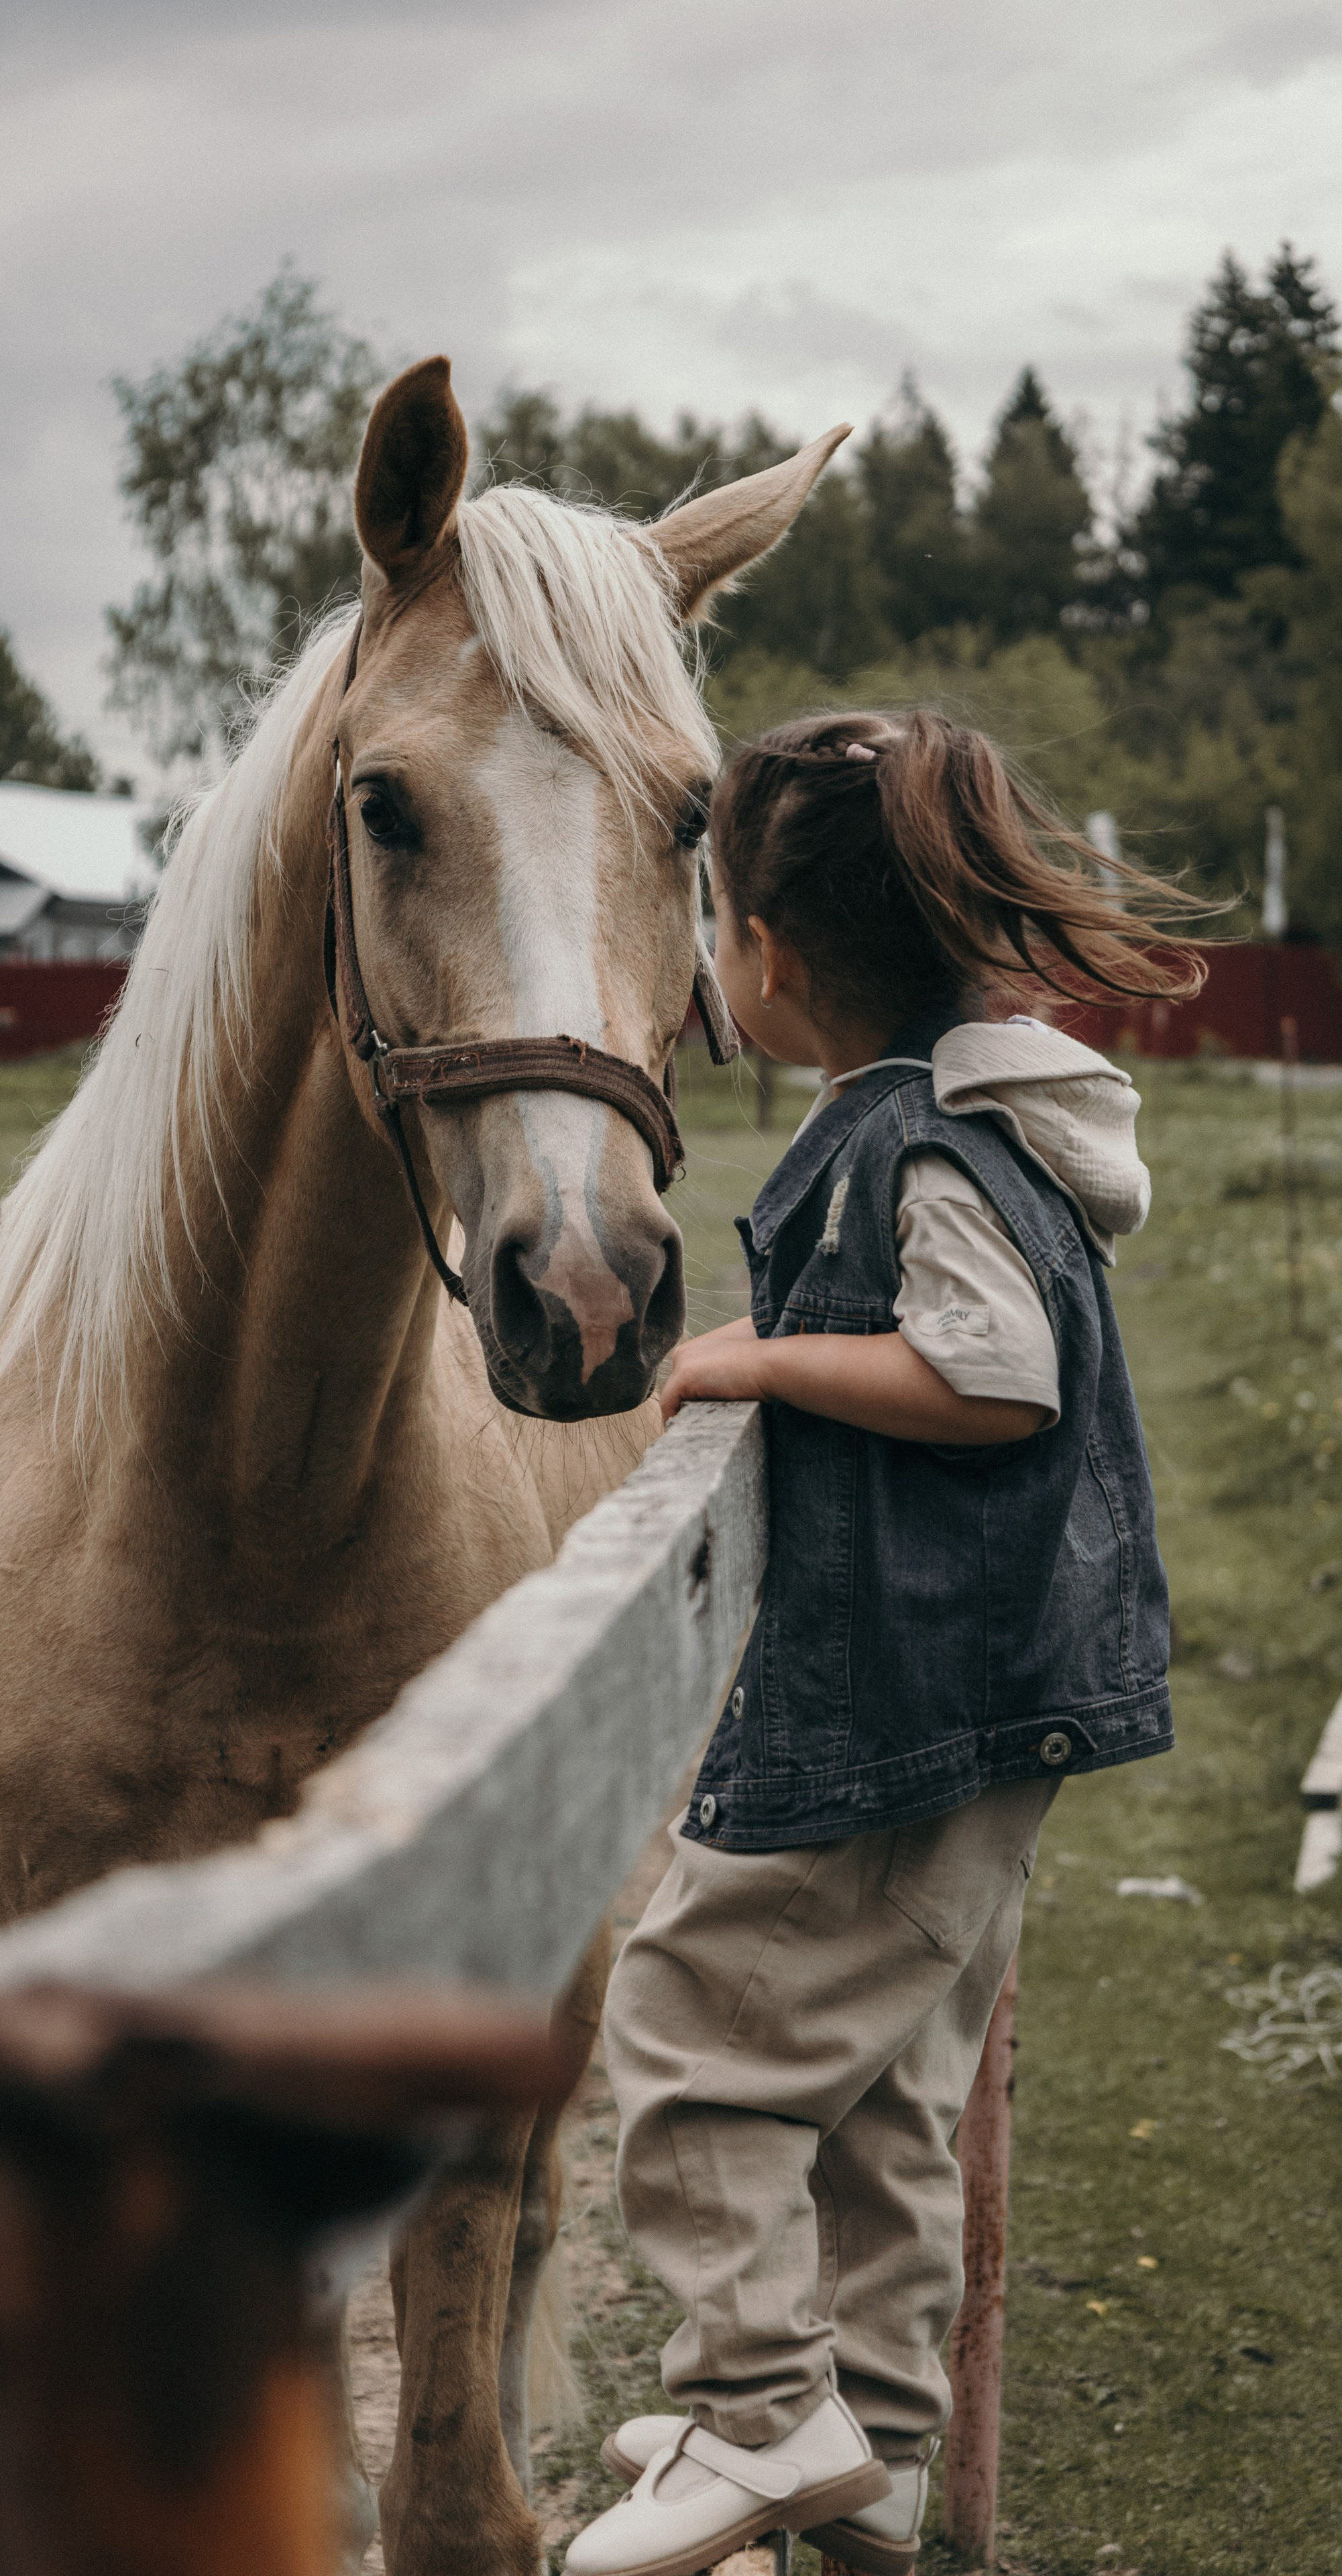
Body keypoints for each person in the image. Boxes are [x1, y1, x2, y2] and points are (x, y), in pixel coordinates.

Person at [565, 710, 1205, 2576]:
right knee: (887, 2108)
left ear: (763, 953)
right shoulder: (968, 1118)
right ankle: (873, 2479)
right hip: (983, 1699)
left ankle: (764, 2416)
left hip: (910, 1696)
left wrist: (751, 1358)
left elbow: (991, 1377)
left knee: (687, 2025)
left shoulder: (915, 1144)